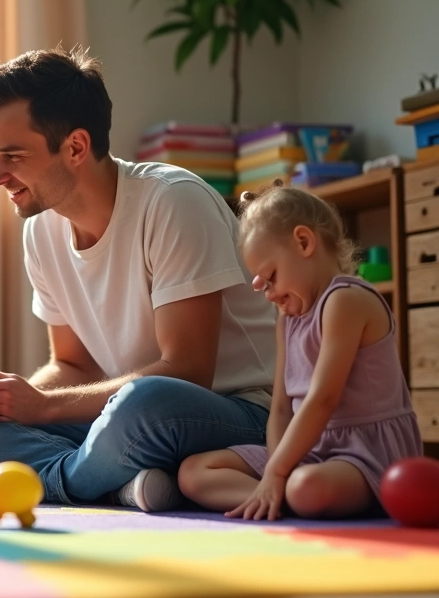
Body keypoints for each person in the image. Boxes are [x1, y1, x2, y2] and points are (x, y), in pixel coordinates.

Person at [0, 46, 278, 512]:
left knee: (145, 402)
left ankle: (37, 479)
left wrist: (43, 409)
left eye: (13, 155)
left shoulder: (173, 202)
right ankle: (114, 483)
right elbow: (74, 365)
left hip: (232, 411)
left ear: (76, 147)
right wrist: (8, 398)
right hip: (119, 417)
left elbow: (187, 372)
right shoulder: (40, 231)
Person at [177, 184, 423, 520]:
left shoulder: (345, 300)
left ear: (304, 242)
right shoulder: (287, 320)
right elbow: (280, 407)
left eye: (271, 277)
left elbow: (323, 398)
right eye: (261, 284)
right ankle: (275, 497)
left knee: (303, 487)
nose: (267, 293)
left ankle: (285, 495)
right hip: (307, 449)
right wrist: (276, 466)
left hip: (363, 452)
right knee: (192, 472)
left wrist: (277, 473)